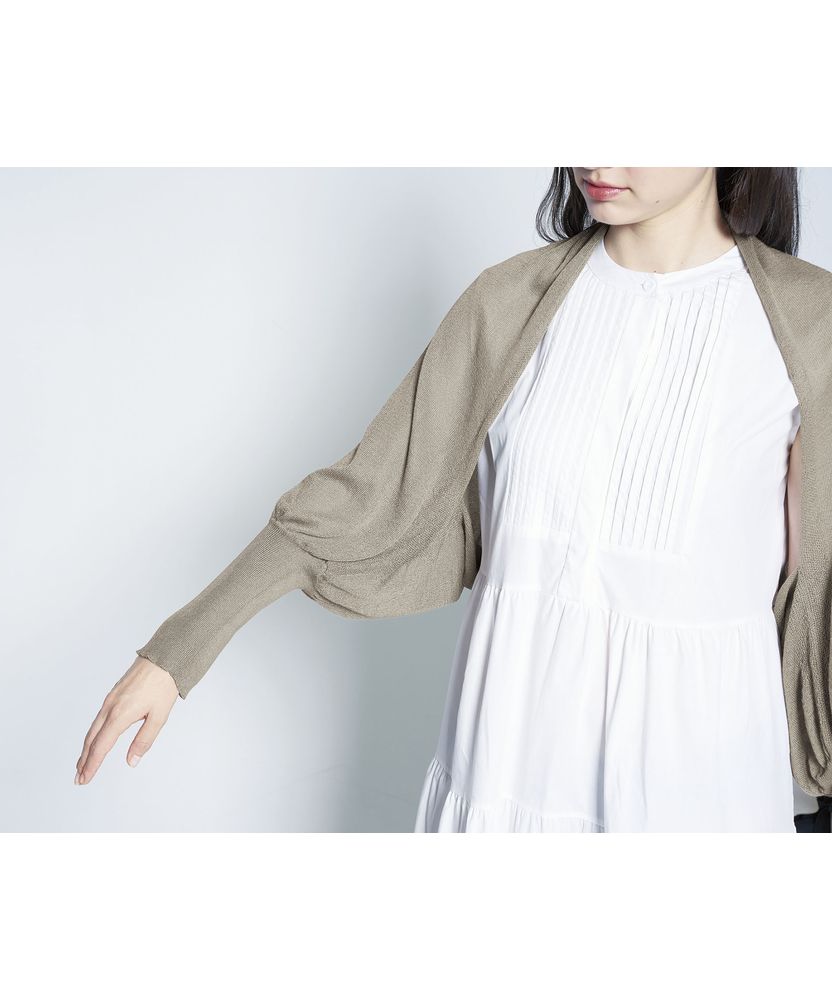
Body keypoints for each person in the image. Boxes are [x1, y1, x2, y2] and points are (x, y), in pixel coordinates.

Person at [75, 167, 823, 833]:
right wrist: (180, 649)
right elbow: (366, 497)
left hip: (701, 782)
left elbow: (817, 587)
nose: (596, 158)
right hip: (507, 755)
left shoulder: (809, 323)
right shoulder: (508, 303)